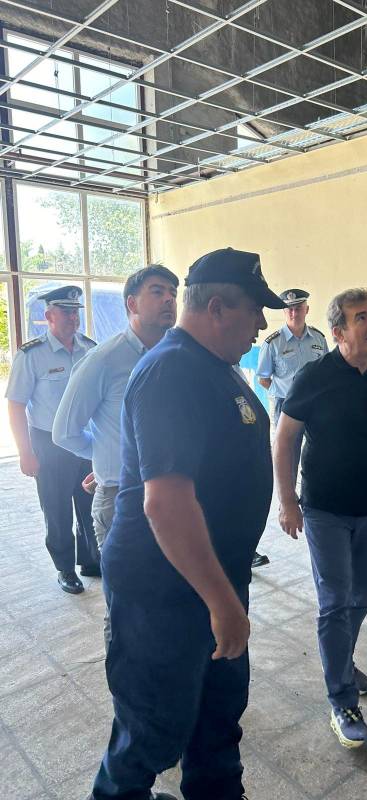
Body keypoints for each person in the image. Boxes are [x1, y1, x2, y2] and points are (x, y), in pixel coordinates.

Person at [86, 247, 286, 800]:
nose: (261, 324)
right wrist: (222, 603)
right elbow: (166, 504)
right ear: (217, 308)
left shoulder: (215, 367)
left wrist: (226, 595)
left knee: (217, 718)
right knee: (150, 729)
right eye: (255, 310)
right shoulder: (171, 371)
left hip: (213, 580)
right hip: (165, 591)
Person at [274, 288, 367, 749]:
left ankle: (343, 659)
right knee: (335, 601)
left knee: (361, 596)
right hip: (324, 509)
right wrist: (287, 501)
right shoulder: (314, 376)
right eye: (362, 318)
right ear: (338, 332)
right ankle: (342, 700)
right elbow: (284, 440)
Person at [52, 265, 179, 644]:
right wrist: (110, 459)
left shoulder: (179, 355)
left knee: (171, 596)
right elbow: (64, 431)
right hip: (123, 498)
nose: (169, 299)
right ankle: (126, 678)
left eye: (173, 292)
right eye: (157, 291)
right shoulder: (104, 360)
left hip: (176, 494)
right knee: (127, 605)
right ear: (131, 304)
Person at [5, 285, 99, 594]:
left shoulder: (90, 349)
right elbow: (16, 405)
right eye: (66, 312)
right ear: (49, 316)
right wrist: (25, 452)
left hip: (85, 440)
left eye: (75, 312)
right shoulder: (31, 355)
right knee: (57, 509)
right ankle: (65, 568)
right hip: (49, 444)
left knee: (90, 502)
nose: (73, 317)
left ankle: (91, 559)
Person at [254, 288, 328, 568]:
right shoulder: (272, 343)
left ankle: (315, 496)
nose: (294, 312)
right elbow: (263, 378)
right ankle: (288, 500)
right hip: (286, 405)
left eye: (299, 307)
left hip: (318, 406)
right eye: (289, 309)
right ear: (284, 312)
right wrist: (282, 395)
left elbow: (328, 371)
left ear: (307, 309)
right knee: (287, 454)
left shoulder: (318, 339)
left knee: (319, 452)